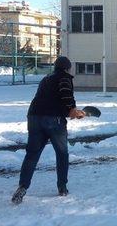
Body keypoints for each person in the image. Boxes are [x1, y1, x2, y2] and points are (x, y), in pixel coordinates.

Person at [11, 56, 86, 204]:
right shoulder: (64, 77)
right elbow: (65, 94)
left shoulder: (46, 78)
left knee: (32, 155)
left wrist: (70, 112)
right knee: (62, 153)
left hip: (34, 117)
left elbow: (49, 99)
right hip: (53, 121)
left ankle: (22, 186)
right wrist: (72, 110)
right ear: (67, 68)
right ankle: (62, 186)